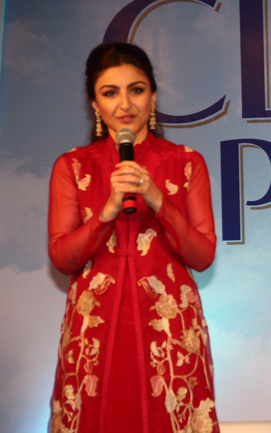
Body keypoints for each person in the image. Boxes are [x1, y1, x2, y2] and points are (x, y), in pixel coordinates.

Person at [48, 43, 219, 433]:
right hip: (94, 330)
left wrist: (159, 200)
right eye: (110, 93)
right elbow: (62, 257)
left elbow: (203, 254)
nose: (125, 104)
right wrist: (105, 213)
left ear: (153, 97)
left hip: (169, 331)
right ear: (95, 104)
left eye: (136, 90)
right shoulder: (72, 166)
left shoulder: (187, 162)